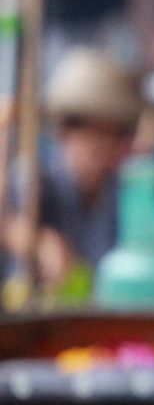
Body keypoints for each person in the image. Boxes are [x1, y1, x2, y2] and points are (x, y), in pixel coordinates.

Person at [3, 48, 142, 299]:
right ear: (64, 132)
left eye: (108, 132)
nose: (97, 144)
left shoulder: (125, 194)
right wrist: (37, 241)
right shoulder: (35, 182)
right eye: (87, 130)